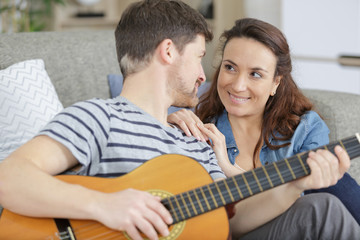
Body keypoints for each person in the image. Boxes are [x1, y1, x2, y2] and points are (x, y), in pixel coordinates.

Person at [0, 2, 357, 240]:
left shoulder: (196, 141)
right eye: (200, 57)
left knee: (321, 209)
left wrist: (294, 185)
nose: (206, 76)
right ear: (169, 51)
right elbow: (10, 177)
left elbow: (233, 222)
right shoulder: (99, 117)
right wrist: (104, 205)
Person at [168, 17, 360, 235]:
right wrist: (166, 120)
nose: (238, 85)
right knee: (323, 208)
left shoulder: (305, 128)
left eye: (256, 74)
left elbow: (301, 204)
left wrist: (228, 168)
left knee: (333, 183)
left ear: (275, 83)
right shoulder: (200, 132)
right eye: (230, 67)